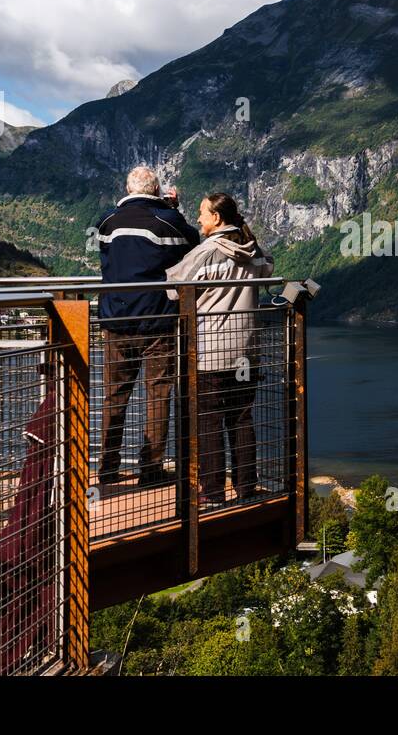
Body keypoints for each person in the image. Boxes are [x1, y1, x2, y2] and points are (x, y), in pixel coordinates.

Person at [165, 192, 273, 508]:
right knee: (241, 418)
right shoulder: (254, 250)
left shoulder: (207, 252)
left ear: (216, 218)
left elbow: (174, 289)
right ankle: (246, 487)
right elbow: (268, 269)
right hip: (246, 351)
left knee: (209, 420)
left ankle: (212, 492)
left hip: (211, 350)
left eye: (201, 213)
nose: (199, 219)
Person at [96, 165, 199, 488]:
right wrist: (174, 209)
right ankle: (151, 468)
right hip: (157, 320)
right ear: (156, 190)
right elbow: (192, 244)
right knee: (158, 394)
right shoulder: (167, 221)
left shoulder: (107, 224)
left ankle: (108, 468)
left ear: (128, 190)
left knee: (114, 396)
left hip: (115, 321)